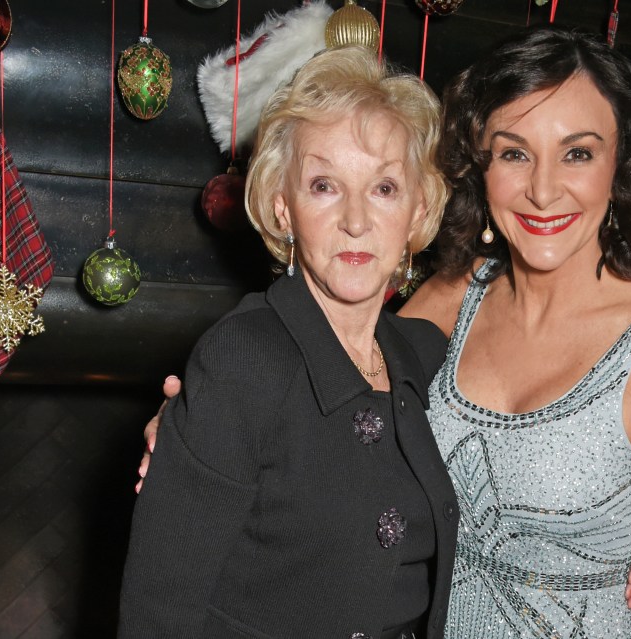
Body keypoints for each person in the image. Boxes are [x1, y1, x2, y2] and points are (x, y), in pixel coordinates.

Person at [137, 26, 631, 638]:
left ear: (619, 165)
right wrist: (198, 428)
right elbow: (329, 387)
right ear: (482, 166)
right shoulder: (455, 297)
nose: (544, 188)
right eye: (514, 152)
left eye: (578, 153)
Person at [117, 45, 459, 639]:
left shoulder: (423, 356)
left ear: (418, 209)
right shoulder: (243, 358)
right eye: (324, 185)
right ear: (283, 207)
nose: (356, 220)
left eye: (383, 189)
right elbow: (158, 612)